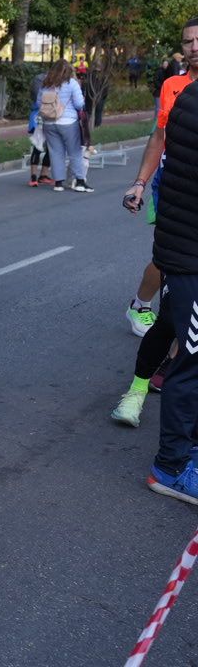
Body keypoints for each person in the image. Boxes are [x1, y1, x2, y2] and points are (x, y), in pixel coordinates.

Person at [114, 19, 198, 426]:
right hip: (177, 198)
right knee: (173, 313)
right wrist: (140, 183)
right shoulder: (174, 87)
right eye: (188, 41)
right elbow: (158, 138)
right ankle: (138, 389)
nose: (195, 47)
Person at [145, 80, 198, 504]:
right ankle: (171, 467)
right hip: (189, 258)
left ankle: (189, 453)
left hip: (185, 253)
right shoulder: (193, 102)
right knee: (191, 364)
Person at [35, 59, 90, 192]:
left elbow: (38, 103)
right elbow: (79, 104)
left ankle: (58, 183)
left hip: (49, 123)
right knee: (74, 152)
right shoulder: (72, 84)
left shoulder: (46, 84)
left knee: (56, 152)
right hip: (68, 122)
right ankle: (80, 181)